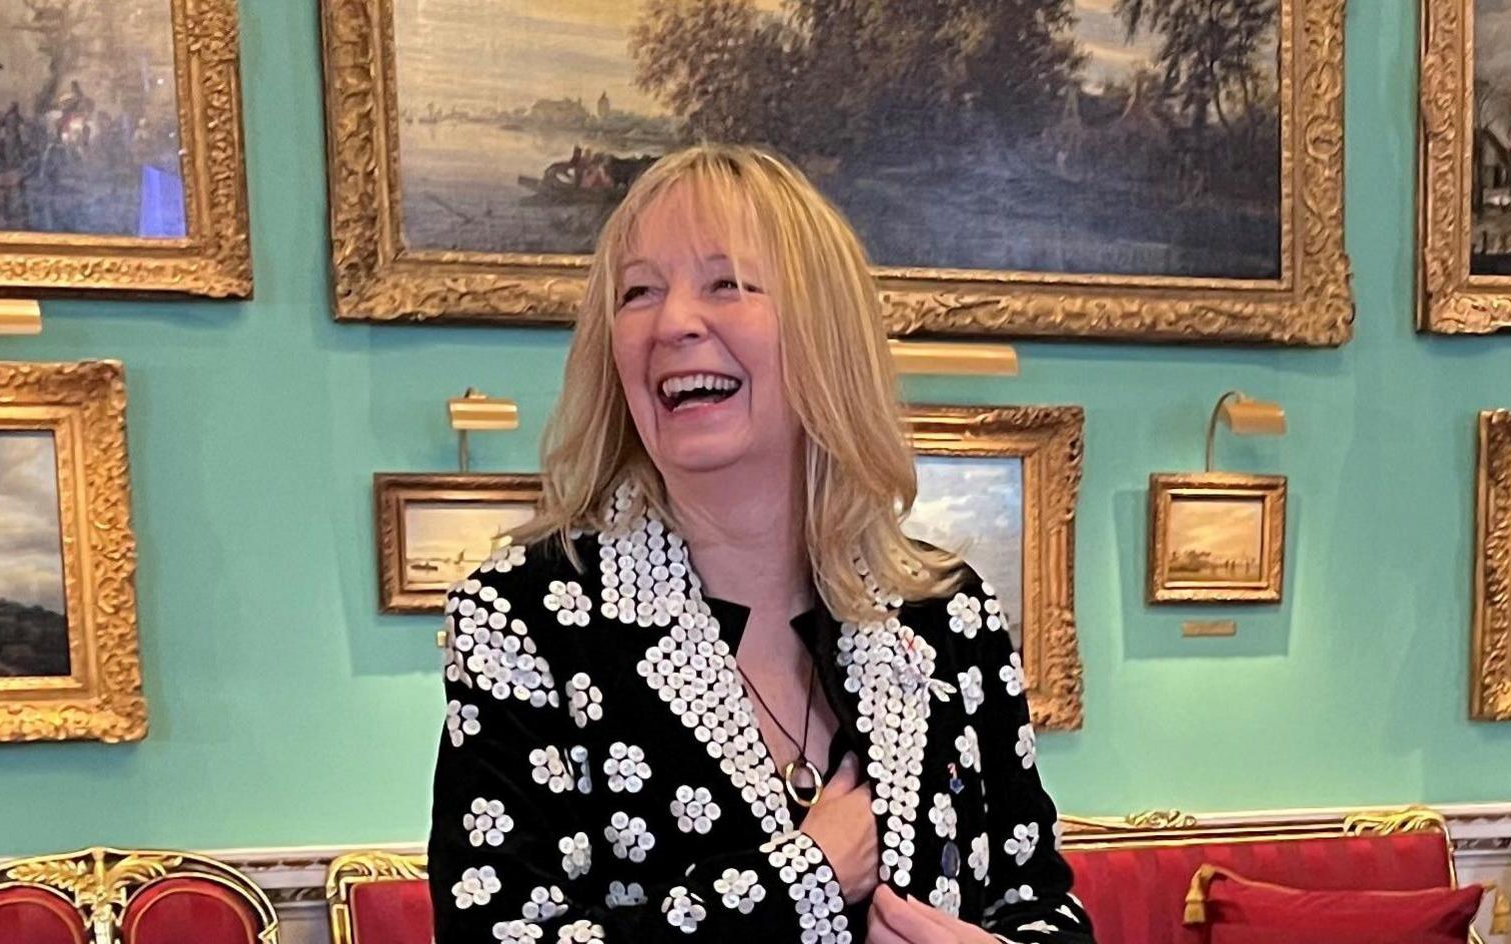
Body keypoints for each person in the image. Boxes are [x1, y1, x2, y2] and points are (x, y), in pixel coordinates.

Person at [428, 143, 1092, 944]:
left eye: (726, 284)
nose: (673, 323)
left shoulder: (948, 614)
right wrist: (797, 884)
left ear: (825, 333)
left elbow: (1040, 901)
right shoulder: (524, 620)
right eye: (638, 292)